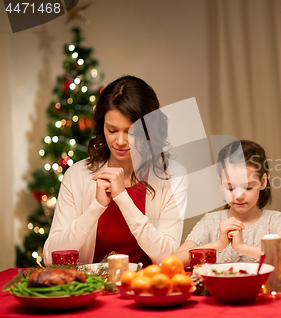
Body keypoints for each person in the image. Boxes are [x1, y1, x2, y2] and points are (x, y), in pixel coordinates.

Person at [43, 75, 187, 266]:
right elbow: (51, 258)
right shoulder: (77, 176)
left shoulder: (173, 177)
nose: (120, 141)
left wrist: (122, 198)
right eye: (112, 130)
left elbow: (167, 258)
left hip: (148, 289)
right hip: (92, 290)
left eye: (132, 132)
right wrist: (96, 207)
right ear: (102, 126)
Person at [174, 140, 281, 267]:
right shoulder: (210, 221)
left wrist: (243, 247)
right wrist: (218, 244)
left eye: (248, 187)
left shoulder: (275, 220)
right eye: (230, 188)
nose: (239, 196)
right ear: (220, 184)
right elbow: (173, 261)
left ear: (262, 182)